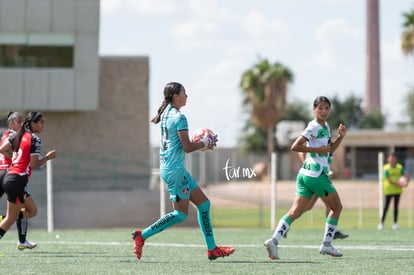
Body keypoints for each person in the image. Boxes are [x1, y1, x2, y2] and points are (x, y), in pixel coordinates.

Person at [132, 82, 235, 261]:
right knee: (180, 214)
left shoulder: (164, 114)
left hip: (173, 169)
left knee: (204, 205)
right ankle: (143, 235)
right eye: (184, 93)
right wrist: (206, 143)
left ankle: (212, 249)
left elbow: (176, 138)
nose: (187, 96)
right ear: (176, 96)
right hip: (175, 171)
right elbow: (187, 147)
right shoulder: (180, 117)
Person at [264, 96, 347, 260]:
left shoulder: (326, 126)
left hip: (305, 175)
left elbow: (330, 149)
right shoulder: (314, 126)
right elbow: (295, 146)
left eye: (327, 108)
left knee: (295, 212)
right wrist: (318, 151)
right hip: (316, 175)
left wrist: (341, 137)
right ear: (314, 109)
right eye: (320, 108)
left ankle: (274, 241)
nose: (324, 111)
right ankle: (327, 244)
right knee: (336, 208)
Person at [0, 112, 57, 245]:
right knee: (11, 217)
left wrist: (14, 158)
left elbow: (2, 149)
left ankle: (22, 241)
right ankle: (21, 240)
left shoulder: (19, 134)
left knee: (31, 211)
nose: (43, 125)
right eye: (41, 122)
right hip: (17, 180)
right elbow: (34, 164)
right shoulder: (34, 139)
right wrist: (48, 158)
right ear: (33, 123)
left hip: (10, 178)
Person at [0, 111, 38, 250]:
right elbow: (3, 149)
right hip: (7, 174)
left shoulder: (21, 136)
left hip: (9, 175)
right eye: (19, 121)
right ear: (11, 124)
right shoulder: (10, 134)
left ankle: (22, 241)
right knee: (26, 210)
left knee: (28, 210)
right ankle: (18, 236)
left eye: (23, 121)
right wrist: (17, 159)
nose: (23, 124)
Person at [293, 152, 349, 240]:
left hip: (323, 180)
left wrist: (330, 171)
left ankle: (332, 232)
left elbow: (325, 162)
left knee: (330, 206)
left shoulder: (328, 145)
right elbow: (301, 152)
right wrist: (310, 169)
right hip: (315, 179)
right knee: (307, 207)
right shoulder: (316, 141)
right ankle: (287, 223)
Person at [378, 152, 409, 230]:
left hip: (397, 191)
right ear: (388, 159)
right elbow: (388, 179)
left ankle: (395, 223)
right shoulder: (385, 168)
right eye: (390, 158)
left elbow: (406, 175)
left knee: (396, 207)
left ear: (395, 159)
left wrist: (406, 182)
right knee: (386, 207)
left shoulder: (399, 167)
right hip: (388, 191)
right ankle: (381, 223)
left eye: (393, 158)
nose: (392, 160)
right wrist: (398, 184)